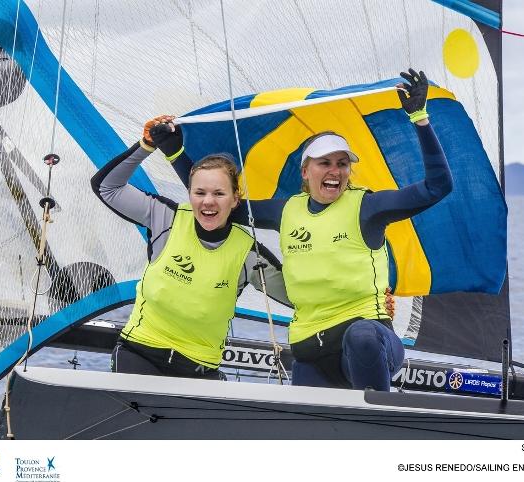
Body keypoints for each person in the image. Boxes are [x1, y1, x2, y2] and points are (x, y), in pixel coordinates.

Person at [159, 68, 452, 391]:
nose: (334, 171)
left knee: (362, 335)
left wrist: (420, 118)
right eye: (324, 163)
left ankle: (379, 423)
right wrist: (174, 152)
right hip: (311, 352)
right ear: (305, 170)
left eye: (342, 163)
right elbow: (217, 203)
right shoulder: (287, 211)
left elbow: (438, 187)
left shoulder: (367, 207)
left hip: (368, 344)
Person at [90, 115, 290, 379]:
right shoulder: (165, 217)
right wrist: (146, 145)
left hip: (199, 367)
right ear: (190, 194)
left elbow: (297, 296)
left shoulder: (248, 253)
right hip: (139, 351)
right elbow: (107, 188)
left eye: (219, 194)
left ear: (235, 199)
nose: (208, 202)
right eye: (200, 193)